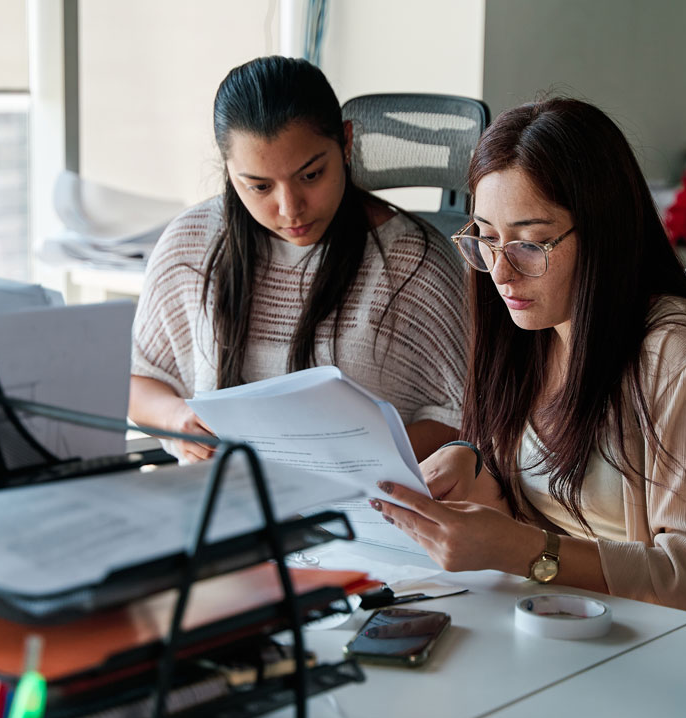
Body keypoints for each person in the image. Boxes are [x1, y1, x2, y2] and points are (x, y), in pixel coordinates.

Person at [369, 98, 686, 644]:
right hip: (602, 634)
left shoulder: (685, 357)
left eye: (530, 242)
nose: (500, 271)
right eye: (485, 237)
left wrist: (518, 550)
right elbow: (556, 510)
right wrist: (480, 464)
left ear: (603, 232)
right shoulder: (529, 334)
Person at [130, 56, 466, 462]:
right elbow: (137, 378)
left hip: (359, 514)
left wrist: (355, 456)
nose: (290, 209)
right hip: (220, 508)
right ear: (229, 169)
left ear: (346, 142)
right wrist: (175, 418)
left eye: (311, 175)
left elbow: (467, 416)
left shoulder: (414, 262)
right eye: (258, 186)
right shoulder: (191, 243)